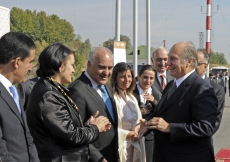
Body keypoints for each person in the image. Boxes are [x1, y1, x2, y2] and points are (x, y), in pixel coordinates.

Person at [26, 43, 111, 162]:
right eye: (71, 65)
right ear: (61, 66)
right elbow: (70, 136)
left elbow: (64, 129)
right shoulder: (48, 95)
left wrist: (86, 126)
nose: (73, 70)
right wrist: (95, 127)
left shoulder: (53, 89)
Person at [138, 41, 218, 162]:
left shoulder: (201, 88)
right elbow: (160, 112)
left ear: (189, 61)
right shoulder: (171, 84)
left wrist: (170, 127)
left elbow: (206, 127)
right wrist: (146, 124)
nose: (167, 63)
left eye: (172, 59)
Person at [68, 47, 119, 162]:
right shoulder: (77, 90)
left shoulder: (107, 86)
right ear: (89, 65)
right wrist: (98, 158)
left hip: (111, 154)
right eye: (101, 67)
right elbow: (76, 134)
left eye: (110, 68)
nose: (106, 72)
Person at [0, 32, 39, 161]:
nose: (30, 69)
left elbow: (27, 138)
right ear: (17, 62)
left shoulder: (13, 91)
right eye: (30, 62)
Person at [110, 62, 145, 162]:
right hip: (121, 144)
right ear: (115, 78)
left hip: (135, 143)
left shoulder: (132, 97)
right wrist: (127, 134)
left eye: (129, 76)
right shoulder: (113, 98)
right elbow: (111, 126)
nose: (127, 80)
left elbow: (138, 119)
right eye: (122, 77)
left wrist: (139, 127)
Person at [133, 65, 159, 162]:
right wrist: (140, 112)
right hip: (132, 134)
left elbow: (161, 112)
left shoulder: (156, 94)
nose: (148, 81)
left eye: (151, 78)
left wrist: (155, 101)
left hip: (149, 136)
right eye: (145, 77)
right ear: (139, 76)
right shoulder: (130, 91)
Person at [196, 49, 225, 133]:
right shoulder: (182, 85)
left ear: (205, 66)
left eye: (196, 64)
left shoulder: (216, 90)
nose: (192, 67)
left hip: (201, 142)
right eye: (191, 63)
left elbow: (214, 122)